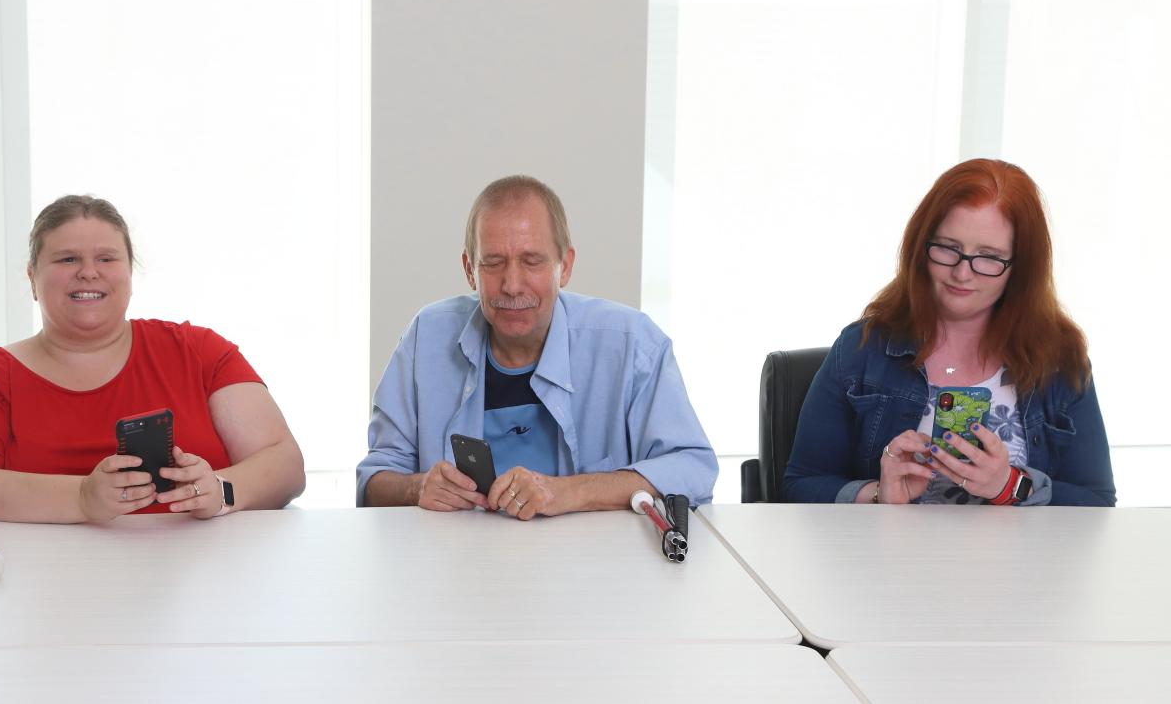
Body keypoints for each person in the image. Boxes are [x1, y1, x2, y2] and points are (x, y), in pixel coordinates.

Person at [0, 195, 305, 523]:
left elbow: (284, 462)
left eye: (106, 258)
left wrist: (221, 491)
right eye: (67, 259)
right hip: (37, 583)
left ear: (130, 273)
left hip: (204, 581)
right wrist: (83, 498)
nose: (88, 273)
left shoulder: (200, 351)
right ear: (32, 278)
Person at [357, 175, 716, 518]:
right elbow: (372, 482)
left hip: (593, 558)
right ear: (469, 270)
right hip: (455, 556)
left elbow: (693, 469)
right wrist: (416, 488)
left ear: (565, 266)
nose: (512, 285)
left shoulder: (632, 343)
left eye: (532, 262)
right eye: (493, 263)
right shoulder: (426, 336)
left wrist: (570, 492)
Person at [783, 159, 1115, 506]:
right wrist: (879, 495)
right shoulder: (861, 348)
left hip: (1014, 546)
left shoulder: (1059, 359)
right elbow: (800, 485)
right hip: (890, 544)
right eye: (948, 248)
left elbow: (1097, 503)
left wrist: (1010, 486)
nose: (962, 273)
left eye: (989, 257)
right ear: (921, 245)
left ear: (1021, 267)